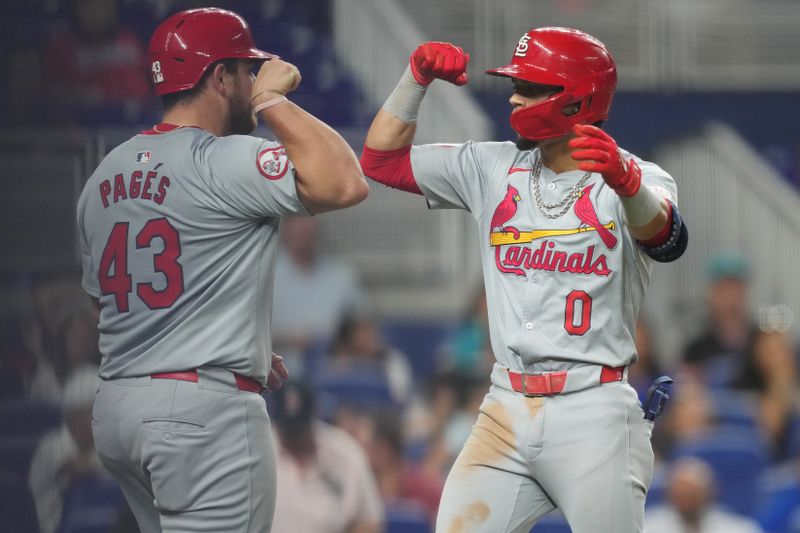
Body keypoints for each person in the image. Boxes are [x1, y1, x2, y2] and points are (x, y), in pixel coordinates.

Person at [359, 27, 688, 533]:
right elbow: (379, 161)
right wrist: (415, 79)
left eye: (533, 88)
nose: (516, 97)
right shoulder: (492, 166)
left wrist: (627, 184)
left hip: (594, 410)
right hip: (505, 405)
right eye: (519, 85)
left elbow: (667, 238)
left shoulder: (638, 178)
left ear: (578, 99)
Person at [79, 8, 367, 533]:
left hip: (118, 410)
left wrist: (228, 339)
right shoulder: (224, 158)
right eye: (245, 71)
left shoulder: (104, 173)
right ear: (220, 78)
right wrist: (273, 101)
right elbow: (344, 182)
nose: (252, 80)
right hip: (199, 416)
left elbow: (107, 306)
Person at [269, 380, 384, 533]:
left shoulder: (345, 453)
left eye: (300, 430)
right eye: (289, 431)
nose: (295, 438)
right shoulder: (255, 452)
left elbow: (370, 522)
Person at [29, 365, 105, 533]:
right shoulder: (52, 445)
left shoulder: (102, 443)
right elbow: (73, 467)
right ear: (75, 415)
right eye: (93, 411)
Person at [645, 457, 764, 533]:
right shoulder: (646, 527)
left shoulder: (739, 528)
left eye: (692, 496)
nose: (686, 504)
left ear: (709, 494)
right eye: (680, 496)